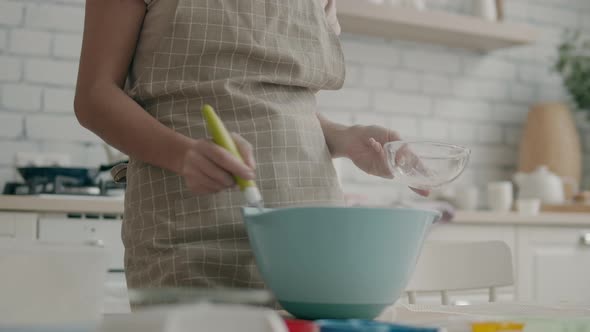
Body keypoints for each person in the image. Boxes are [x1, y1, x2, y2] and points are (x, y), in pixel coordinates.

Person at [74, 0, 427, 293]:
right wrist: (182, 154)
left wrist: (345, 137)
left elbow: (280, 101)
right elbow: (94, 97)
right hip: (189, 231)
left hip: (311, 230)